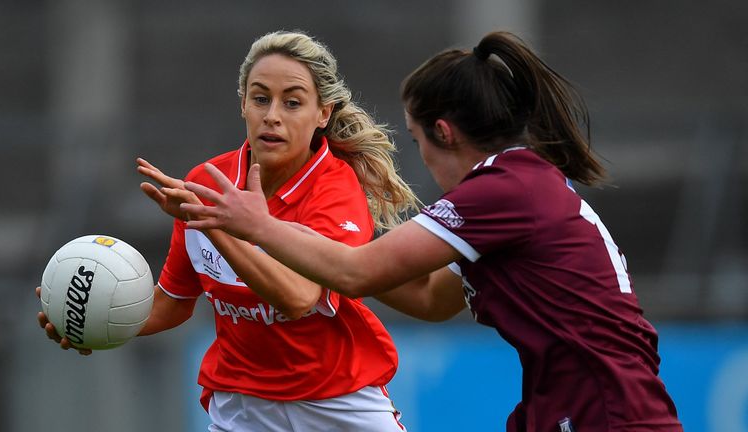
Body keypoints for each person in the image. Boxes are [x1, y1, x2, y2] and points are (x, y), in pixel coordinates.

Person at [179, 31, 684, 431]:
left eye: (418, 138)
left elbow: (355, 273)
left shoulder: (500, 192)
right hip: (579, 406)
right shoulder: (522, 182)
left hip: (604, 413)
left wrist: (258, 227)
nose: (419, 154)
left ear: (444, 133)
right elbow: (429, 297)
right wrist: (314, 240)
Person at [37, 30, 419, 432]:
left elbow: (299, 297)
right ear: (243, 104)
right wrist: (92, 318)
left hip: (338, 400)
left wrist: (211, 222)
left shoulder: (335, 190)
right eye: (260, 98)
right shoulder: (207, 181)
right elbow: (173, 302)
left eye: (292, 102)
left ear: (322, 113)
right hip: (242, 404)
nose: (272, 114)